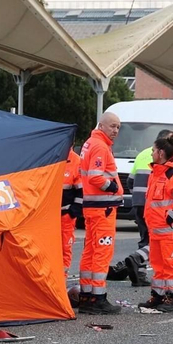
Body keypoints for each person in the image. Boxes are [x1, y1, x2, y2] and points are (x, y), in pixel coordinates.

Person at [76, 112, 125, 314]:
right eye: (112, 126)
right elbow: (96, 177)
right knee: (102, 252)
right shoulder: (99, 146)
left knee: (90, 251)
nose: (115, 131)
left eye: (118, 127)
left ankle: (87, 295)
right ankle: (98, 298)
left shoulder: (91, 143)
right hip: (102, 208)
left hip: (93, 207)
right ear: (102, 126)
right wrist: (112, 187)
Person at [142, 131, 173, 311]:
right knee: (158, 266)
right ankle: (158, 296)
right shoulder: (156, 173)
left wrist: (166, 219)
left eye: (153, 150)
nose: (151, 153)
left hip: (168, 231)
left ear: (161, 153)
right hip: (156, 230)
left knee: (171, 266)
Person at [129, 132, 168, 250]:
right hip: (154, 206)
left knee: (144, 235)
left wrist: (137, 195)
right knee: (157, 238)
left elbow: (130, 181)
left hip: (138, 202)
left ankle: (140, 264)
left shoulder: (142, 154)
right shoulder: (165, 157)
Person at [60, 140, 81, 274]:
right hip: (46, 216)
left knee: (64, 250)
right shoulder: (51, 158)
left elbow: (82, 191)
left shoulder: (76, 161)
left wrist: (73, 212)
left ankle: (62, 283)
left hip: (65, 215)